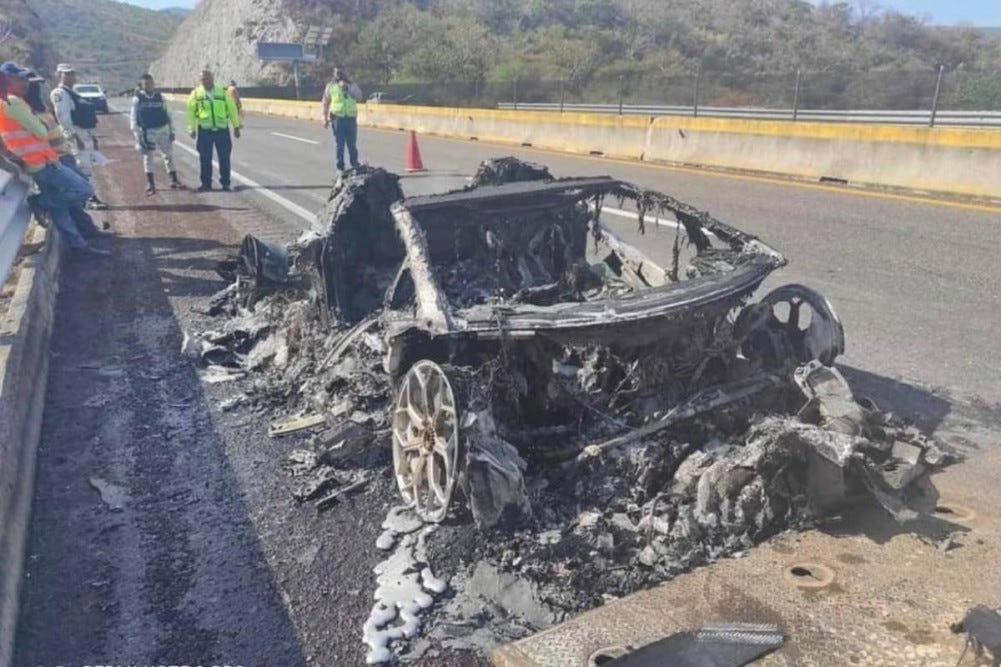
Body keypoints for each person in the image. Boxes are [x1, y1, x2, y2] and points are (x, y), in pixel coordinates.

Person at [0, 63, 106, 257]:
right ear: (7, 80)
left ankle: (78, 245)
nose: (26, 84)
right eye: (20, 79)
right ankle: (40, 202)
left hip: (37, 161)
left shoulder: (10, 102)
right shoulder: (13, 102)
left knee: (60, 209)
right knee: (83, 189)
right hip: (43, 162)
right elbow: (41, 132)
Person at [50, 63, 108, 209]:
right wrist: (74, 137)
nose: (70, 76)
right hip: (75, 134)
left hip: (84, 132)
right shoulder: (60, 93)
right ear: (59, 75)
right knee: (82, 167)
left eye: (72, 73)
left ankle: (89, 197)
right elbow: (63, 117)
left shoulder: (72, 93)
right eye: (66, 74)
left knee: (88, 166)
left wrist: (91, 136)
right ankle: (89, 199)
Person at [186, 69, 241, 192]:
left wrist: (236, 126)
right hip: (205, 131)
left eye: (208, 78)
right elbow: (190, 113)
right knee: (205, 159)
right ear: (200, 81)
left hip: (222, 130)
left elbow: (232, 109)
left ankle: (226, 183)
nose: (206, 81)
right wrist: (191, 129)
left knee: (225, 158)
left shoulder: (222, 92)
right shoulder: (195, 94)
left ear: (212, 78)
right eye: (203, 79)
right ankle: (206, 184)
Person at [131, 73, 181, 195]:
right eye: (146, 84)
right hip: (148, 132)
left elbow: (169, 115)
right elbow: (133, 118)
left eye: (151, 83)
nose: (149, 86)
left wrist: (172, 131)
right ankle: (151, 183)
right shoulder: (138, 99)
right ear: (142, 86)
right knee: (148, 157)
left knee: (168, 155)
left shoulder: (160, 97)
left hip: (163, 129)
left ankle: (173, 179)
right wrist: (137, 135)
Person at [321, 67, 363, 174]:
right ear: (334, 74)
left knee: (352, 144)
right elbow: (325, 102)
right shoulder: (330, 86)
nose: (339, 75)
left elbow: (359, 97)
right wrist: (324, 118)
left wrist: (347, 89)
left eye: (341, 72)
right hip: (337, 118)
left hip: (350, 118)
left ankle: (355, 164)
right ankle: (340, 167)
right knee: (339, 144)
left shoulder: (352, 85)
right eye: (337, 73)